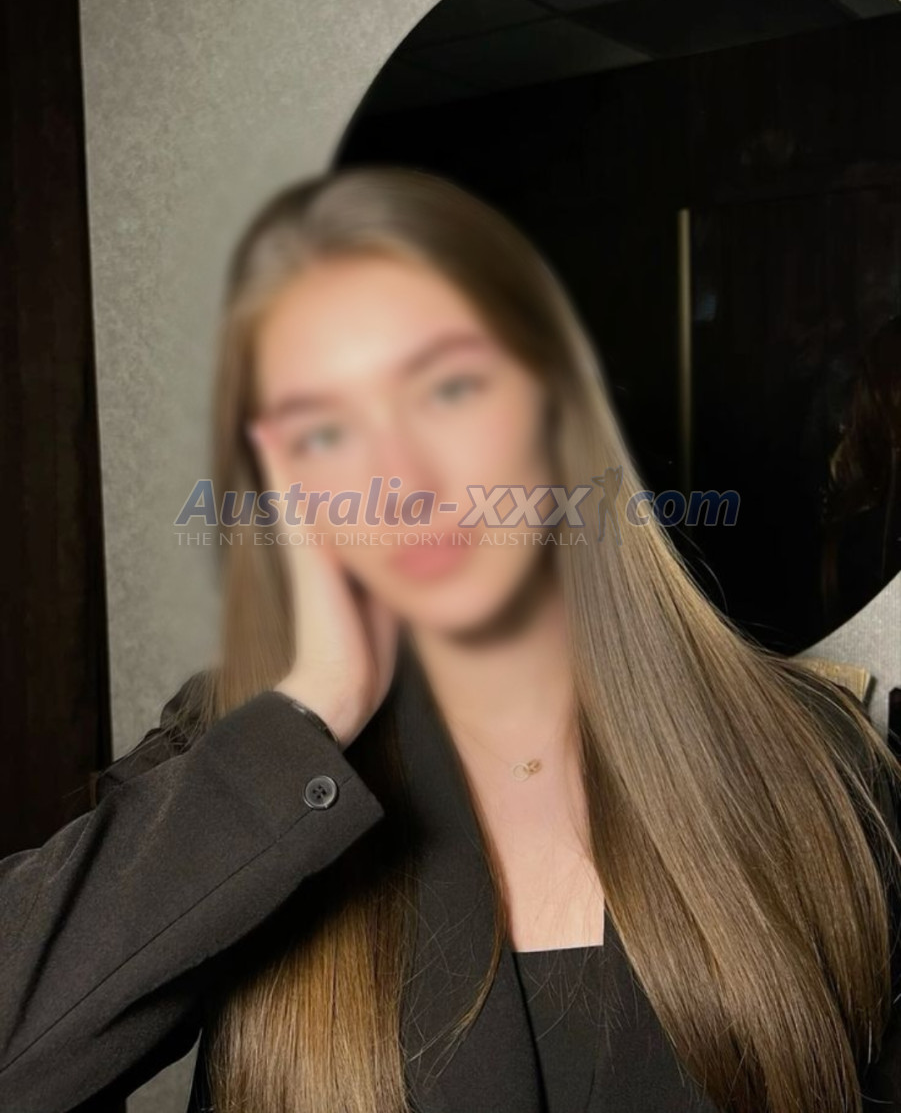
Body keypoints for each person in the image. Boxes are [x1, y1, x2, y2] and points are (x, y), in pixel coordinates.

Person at [1, 165, 900, 1113]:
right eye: (323, 430)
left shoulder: (818, 762)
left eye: (448, 388)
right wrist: (316, 705)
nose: (399, 476)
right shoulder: (244, 747)